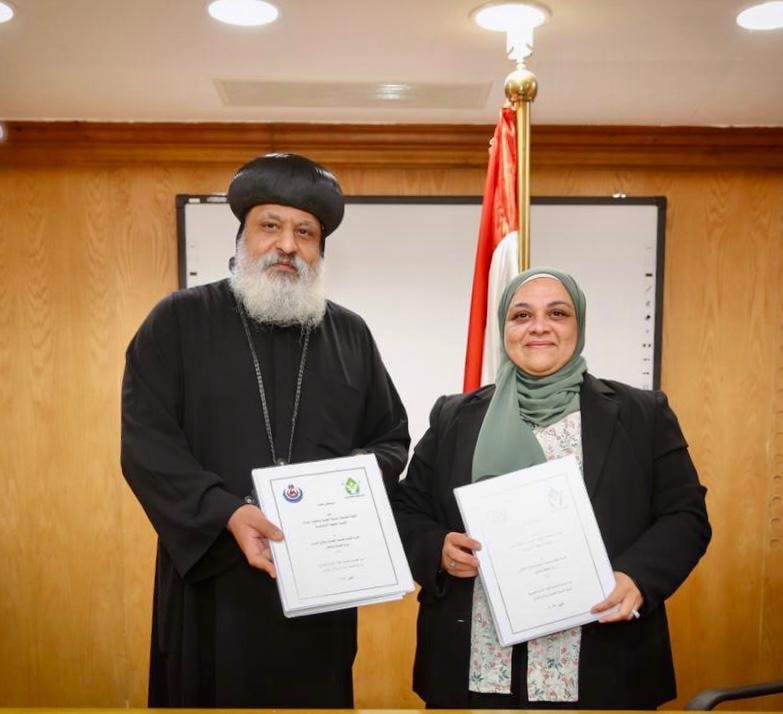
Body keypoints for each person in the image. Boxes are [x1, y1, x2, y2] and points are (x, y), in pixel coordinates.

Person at [121, 153, 410, 708]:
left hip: (319, 591)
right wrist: (226, 512)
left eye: (305, 232)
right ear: (242, 237)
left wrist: (340, 494)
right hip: (211, 589)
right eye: (270, 226)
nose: (287, 245)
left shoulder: (350, 335)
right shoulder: (178, 321)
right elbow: (146, 446)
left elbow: (391, 439)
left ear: (320, 250)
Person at [392, 267, 710, 710]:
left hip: (603, 664)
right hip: (476, 671)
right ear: (504, 328)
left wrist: (637, 576)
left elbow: (685, 516)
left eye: (557, 313)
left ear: (579, 325)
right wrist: (438, 549)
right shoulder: (454, 417)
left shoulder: (642, 414)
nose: (538, 326)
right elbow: (406, 509)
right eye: (521, 315)